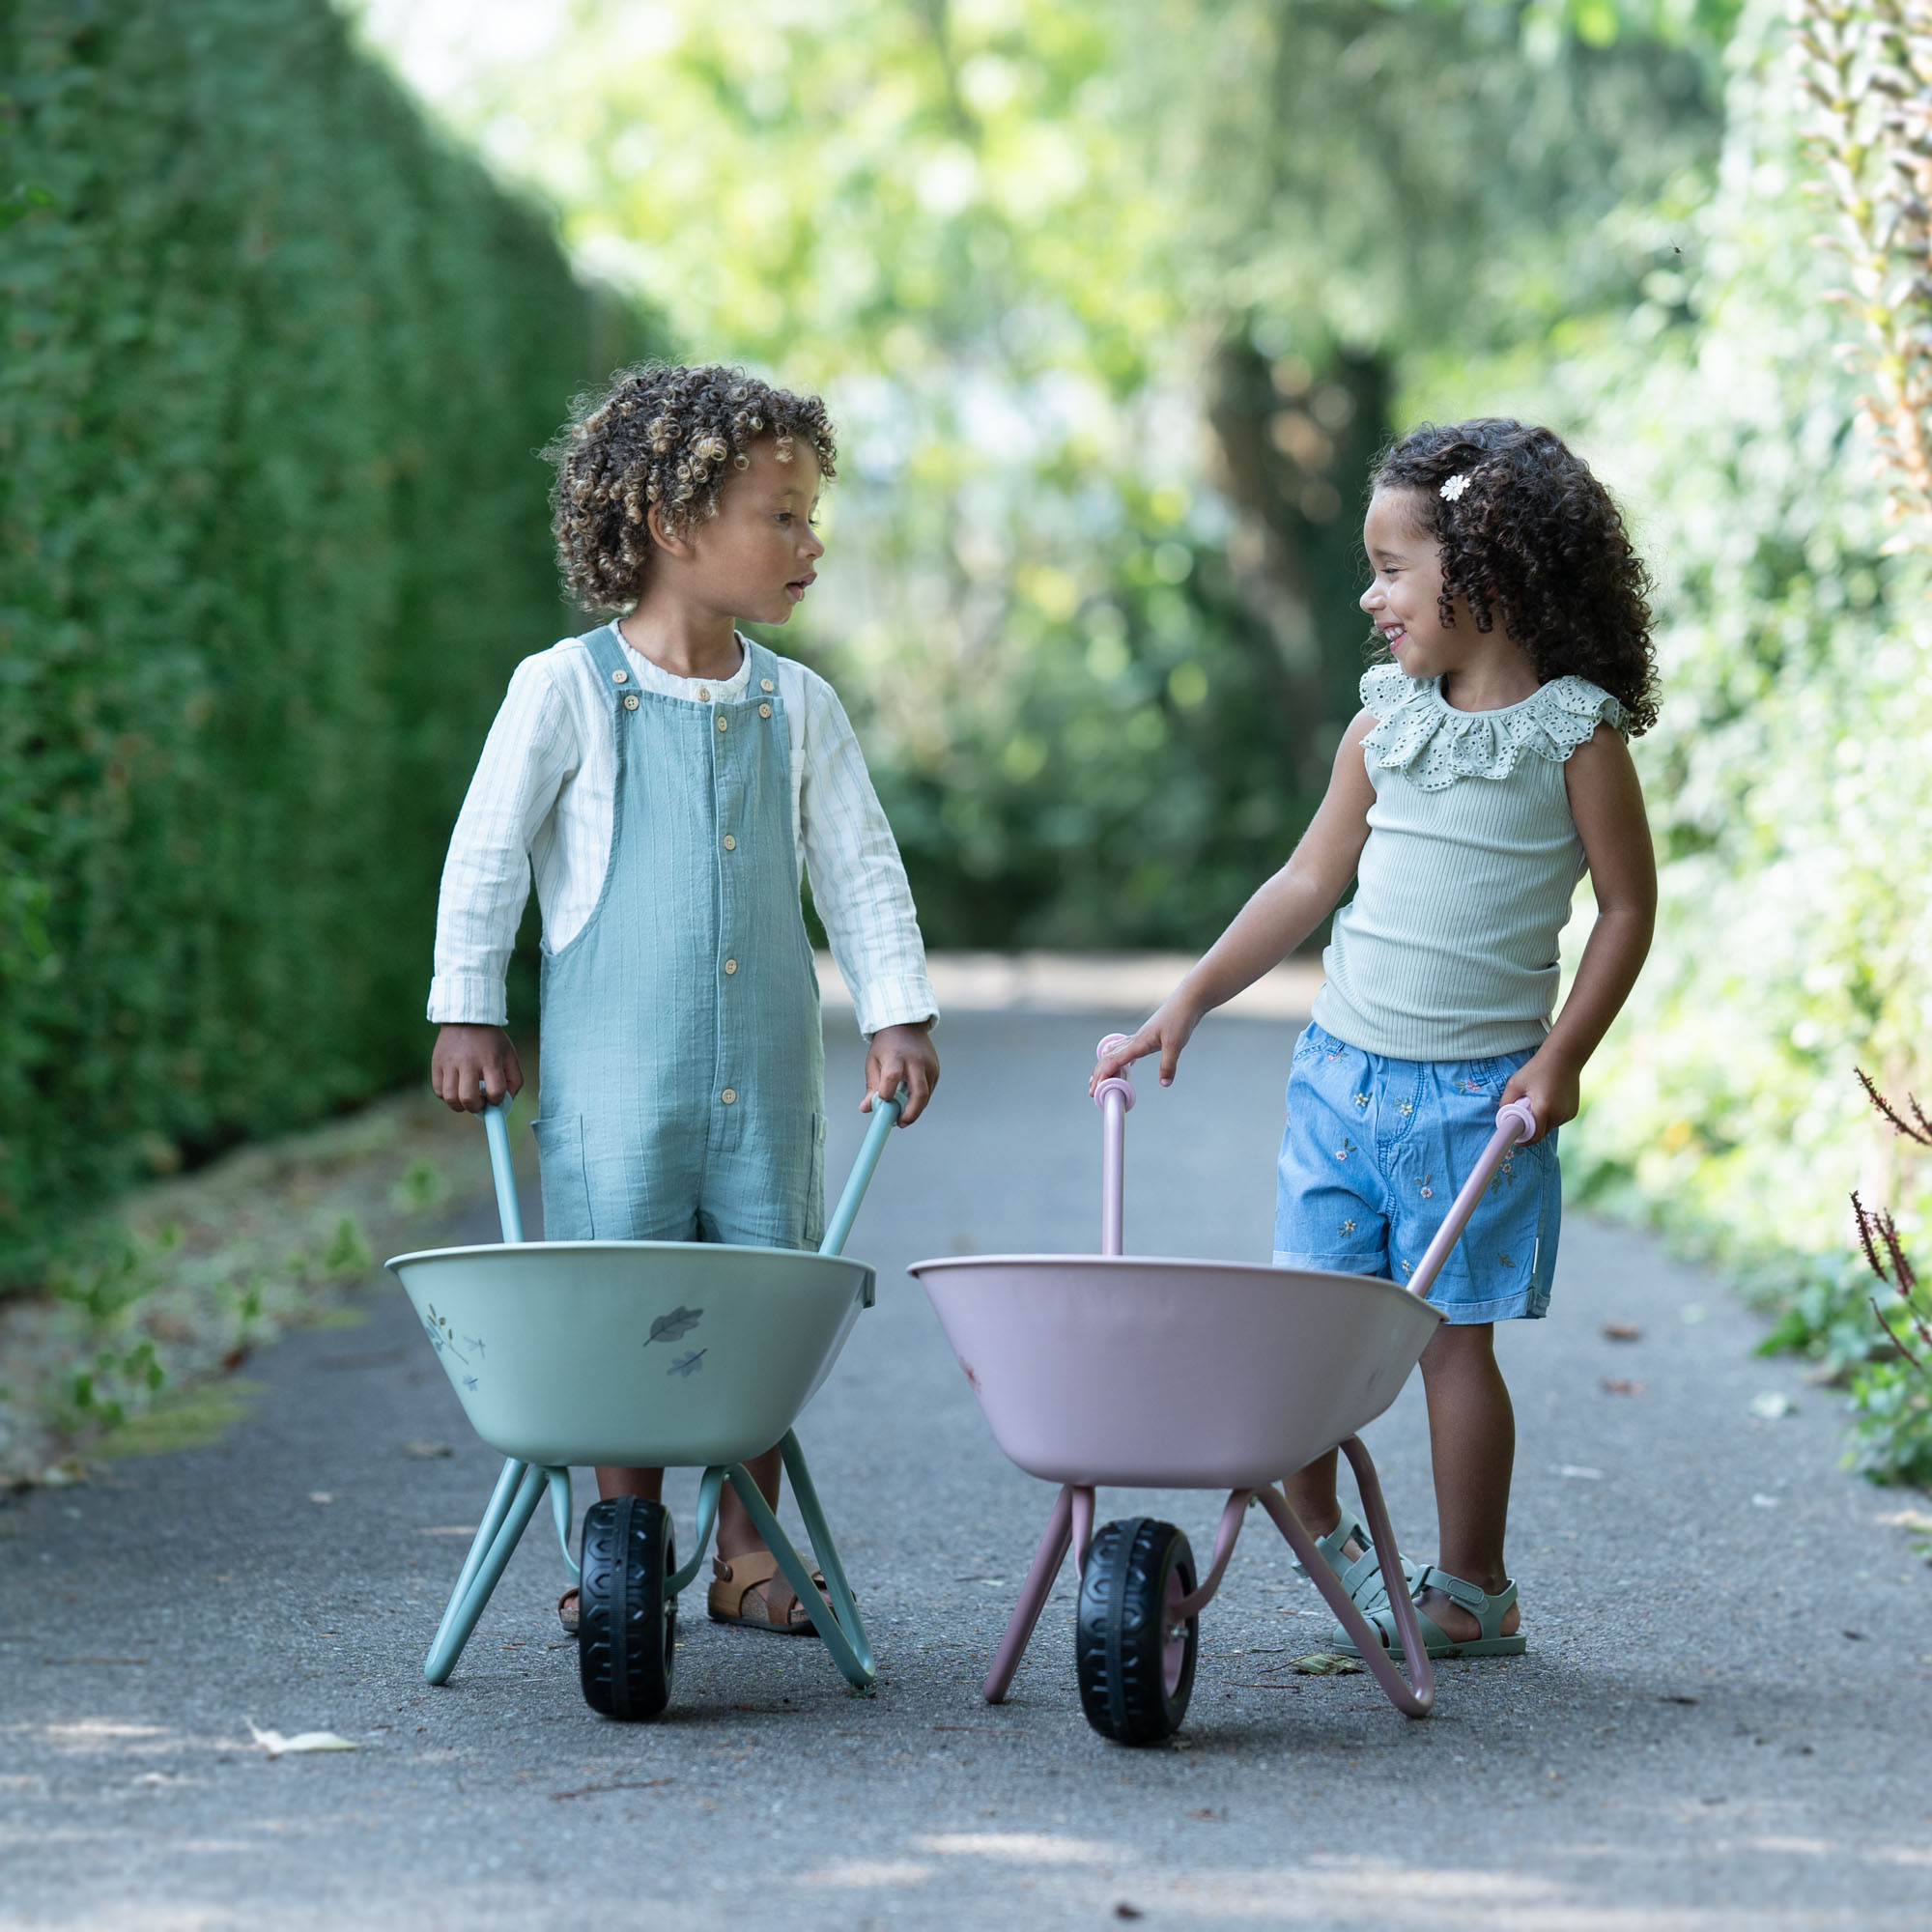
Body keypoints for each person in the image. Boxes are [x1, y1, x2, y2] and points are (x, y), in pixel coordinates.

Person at [1093, 419, 1658, 1657]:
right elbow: (1304, 883)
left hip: (1473, 1102)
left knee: (1453, 1347)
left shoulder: (1573, 734)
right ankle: (1327, 1534)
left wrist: (1559, 1058)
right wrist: (1183, 1000)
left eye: (1391, 565)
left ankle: (1470, 1588)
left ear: (1488, 575)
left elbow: (1625, 908)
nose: (1369, 593)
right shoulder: (1381, 723)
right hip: (1339, 1080)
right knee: (1309, 1316)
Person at [429, 363, 940, 1634]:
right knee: (621, 1308)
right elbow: (488, 854)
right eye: (782, 514)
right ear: (672, 522)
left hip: (765, 1092)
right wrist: (469, 1004)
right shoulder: (566, 692)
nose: (809, 541)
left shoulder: (798, 706)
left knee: (760, 1302)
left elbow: (861, 869)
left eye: (812, 514)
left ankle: (751, 1557)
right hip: (619, 1099)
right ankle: (625, 1540)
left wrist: (898, 1011)